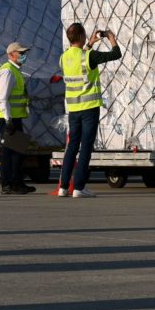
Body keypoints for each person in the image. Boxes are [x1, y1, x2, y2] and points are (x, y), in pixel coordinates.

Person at [57, 23, 121, 198]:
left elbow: (79, 58)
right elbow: (116, 54)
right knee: (86, 147)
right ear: (82, 36)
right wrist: (111, 38)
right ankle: (79, 187)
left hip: (73, 108)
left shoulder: (63, 58)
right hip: (89, 108)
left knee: (72, 147)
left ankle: (63, 187)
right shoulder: (89, 56)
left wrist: (90, 43)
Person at [0, 41, 36, 195]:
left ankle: (17, 183)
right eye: (21, 53)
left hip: (15, 117)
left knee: (18, 152)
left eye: (24, 53)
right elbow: (3, 98)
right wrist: (8, 120)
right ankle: (8, 184)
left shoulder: (15, 70)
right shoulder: (8, 72)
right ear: (11, 54)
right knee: (9, 153)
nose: (23, 56)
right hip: (9, 119)